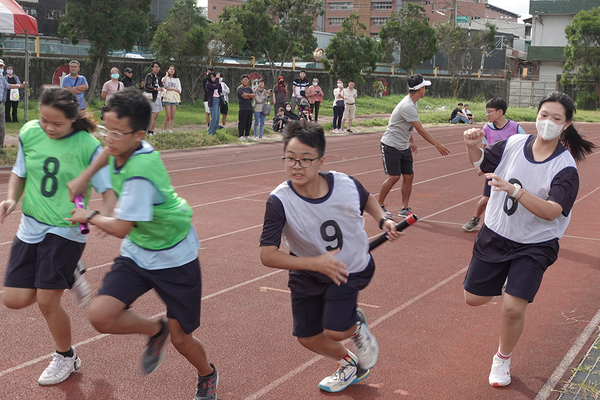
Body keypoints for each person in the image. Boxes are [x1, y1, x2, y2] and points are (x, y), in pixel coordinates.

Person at [65, 88, 219, 400]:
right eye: (106, 129)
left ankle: (207, 373)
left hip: (175, 257)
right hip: (139, 253)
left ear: (139, 134)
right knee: (100, 315)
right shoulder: (122, 144)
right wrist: (84, 178)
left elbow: (121, 227)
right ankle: (154, 329)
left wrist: (90, 214)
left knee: (182, 338)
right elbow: (107, 151)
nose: (109, 138)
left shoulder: (139, 172)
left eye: (117, 133)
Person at [462, 91, 594, 388]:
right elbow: (481, 164)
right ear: (536, 116)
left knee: (512, 308)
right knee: (473, 299)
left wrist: (514, 191)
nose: (547, 122)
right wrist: (472, 146)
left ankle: (502, 359)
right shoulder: (514, 143)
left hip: (535, 243)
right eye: (544, 115)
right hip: (496, 233)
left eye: (556, 118)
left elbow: (551, 212)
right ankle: (506, 290)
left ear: (566, 125)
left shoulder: (565, 168)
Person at [260, 120, 401, 393]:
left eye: (305, 160)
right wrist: (313, 263)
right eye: (290, 159)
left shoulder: (344, 184)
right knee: (307, 337)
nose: (296, 166)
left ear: (321, 160)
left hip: (348, 268)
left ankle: (355, 325)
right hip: (308, 271)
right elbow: (267, 255)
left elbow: (367, 198)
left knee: (337, 330)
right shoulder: (279, 201)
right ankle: (351, 364)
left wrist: (383, 219)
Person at [0, 86, 114, 385]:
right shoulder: (29, 132)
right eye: (43, 120)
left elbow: (107, 190)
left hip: (66, 228)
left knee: (47, 301)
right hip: (31, 224)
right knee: (13, 299)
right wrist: (12, 198)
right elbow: (20, 171)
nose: (49, 128)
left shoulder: (87, 144)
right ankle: (71, 272)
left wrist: (104, 217)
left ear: (73, 119)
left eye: (57, 123)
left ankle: (66, 356)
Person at [378, 74, 450, 218]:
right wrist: (438, 145)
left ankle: (404, 208)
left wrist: (411, 141)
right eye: (424, 87)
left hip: (403, 145)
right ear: (419, 89)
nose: (425, 90)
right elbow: (421, 130)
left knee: (409, 176)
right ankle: (379, 206)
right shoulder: (407, 106)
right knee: (394, 177)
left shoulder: (413, 103)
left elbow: (409, 124)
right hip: (391, 144)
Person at [462, 97, 526, 232]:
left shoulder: (515, 127)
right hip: (494, 170)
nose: (487, 115)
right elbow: (485, 148)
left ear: (500, 112)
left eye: (489, 111)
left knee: (515, 198)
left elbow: (525, 145)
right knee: (485, 199)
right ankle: (475, 219)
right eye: (486, 112)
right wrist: (483, 164)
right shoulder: (487, 128)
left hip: (512, 169)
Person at [0, 59, 27, 156]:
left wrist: (20, 86)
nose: (1, 68)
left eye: (1, 66)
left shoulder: (1, 77)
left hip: (0, 104)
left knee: (2, 128)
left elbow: (8, 86)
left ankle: (0, 148)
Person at [143, 60, 165, 135]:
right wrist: (156, 89)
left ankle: (152, 130)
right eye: (155, 67)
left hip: (158, 97)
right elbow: (147, 86)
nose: (157, 69)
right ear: (152, 68)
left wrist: (162, 88)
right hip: (152, 97)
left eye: (158, 67)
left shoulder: (157, 78)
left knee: (156, 114)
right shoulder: (149, 76)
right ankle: (149, 131)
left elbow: (161, 85)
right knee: (153, 114)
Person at [162, 65, 182, 134]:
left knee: (172, 116)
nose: (172, 70)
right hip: (167, 98)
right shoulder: (166, 78)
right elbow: (162, 83)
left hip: (174, 98)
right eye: (170, 69)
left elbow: (179, 90)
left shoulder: (177, 80)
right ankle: (164, 130)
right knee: (167, 116)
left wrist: (171, 89)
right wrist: (166, 75)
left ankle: (171, 130)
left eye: (173, 69)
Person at [237, 74, 254, 141]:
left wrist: (247, 94)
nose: (246, 81)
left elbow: (253, 96)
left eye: (247, 80)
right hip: (243, 108)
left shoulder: (249, 88)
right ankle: (241, 135)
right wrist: (249, 96)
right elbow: (243, 96)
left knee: (249, 122)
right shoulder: (240, 89)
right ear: (241, 81)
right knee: (242, 122)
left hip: (249, 108)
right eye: (244, 80)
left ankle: (247, 134)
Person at [205, 71, 221, 135]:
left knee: (217, 117)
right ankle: (210, 132)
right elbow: (215, 87)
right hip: (213, 100)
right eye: (212, 77)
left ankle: (214, 130)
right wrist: (217, 79)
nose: (213, 78)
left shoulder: (216, 83)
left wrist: (219, 83)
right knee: (214, 117)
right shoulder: (208, 84)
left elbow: (220, 89)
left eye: (214, 77)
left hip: (218, 99)